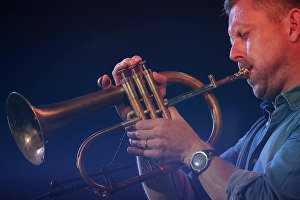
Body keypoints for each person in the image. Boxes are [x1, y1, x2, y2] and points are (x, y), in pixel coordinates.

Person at [102, 0, 300, 199]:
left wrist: (191, 149)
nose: (233, 54)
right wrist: (145, 116)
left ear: (293, 24)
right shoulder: (263, 127)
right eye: (233, 40)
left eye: (243, 34)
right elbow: (189, 194)